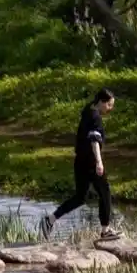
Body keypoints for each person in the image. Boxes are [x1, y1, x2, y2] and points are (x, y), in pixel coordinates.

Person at [41, 88, 120, 241]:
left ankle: (50, 220)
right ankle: (105, 231)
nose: (110, 108)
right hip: (91, 161)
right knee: (105, 192)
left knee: (80, 197)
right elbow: (94, 140)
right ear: (101, 102)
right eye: (109, 105)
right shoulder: (95, 117)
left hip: (80, 161)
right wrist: (99, 162)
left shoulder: (88, 110)